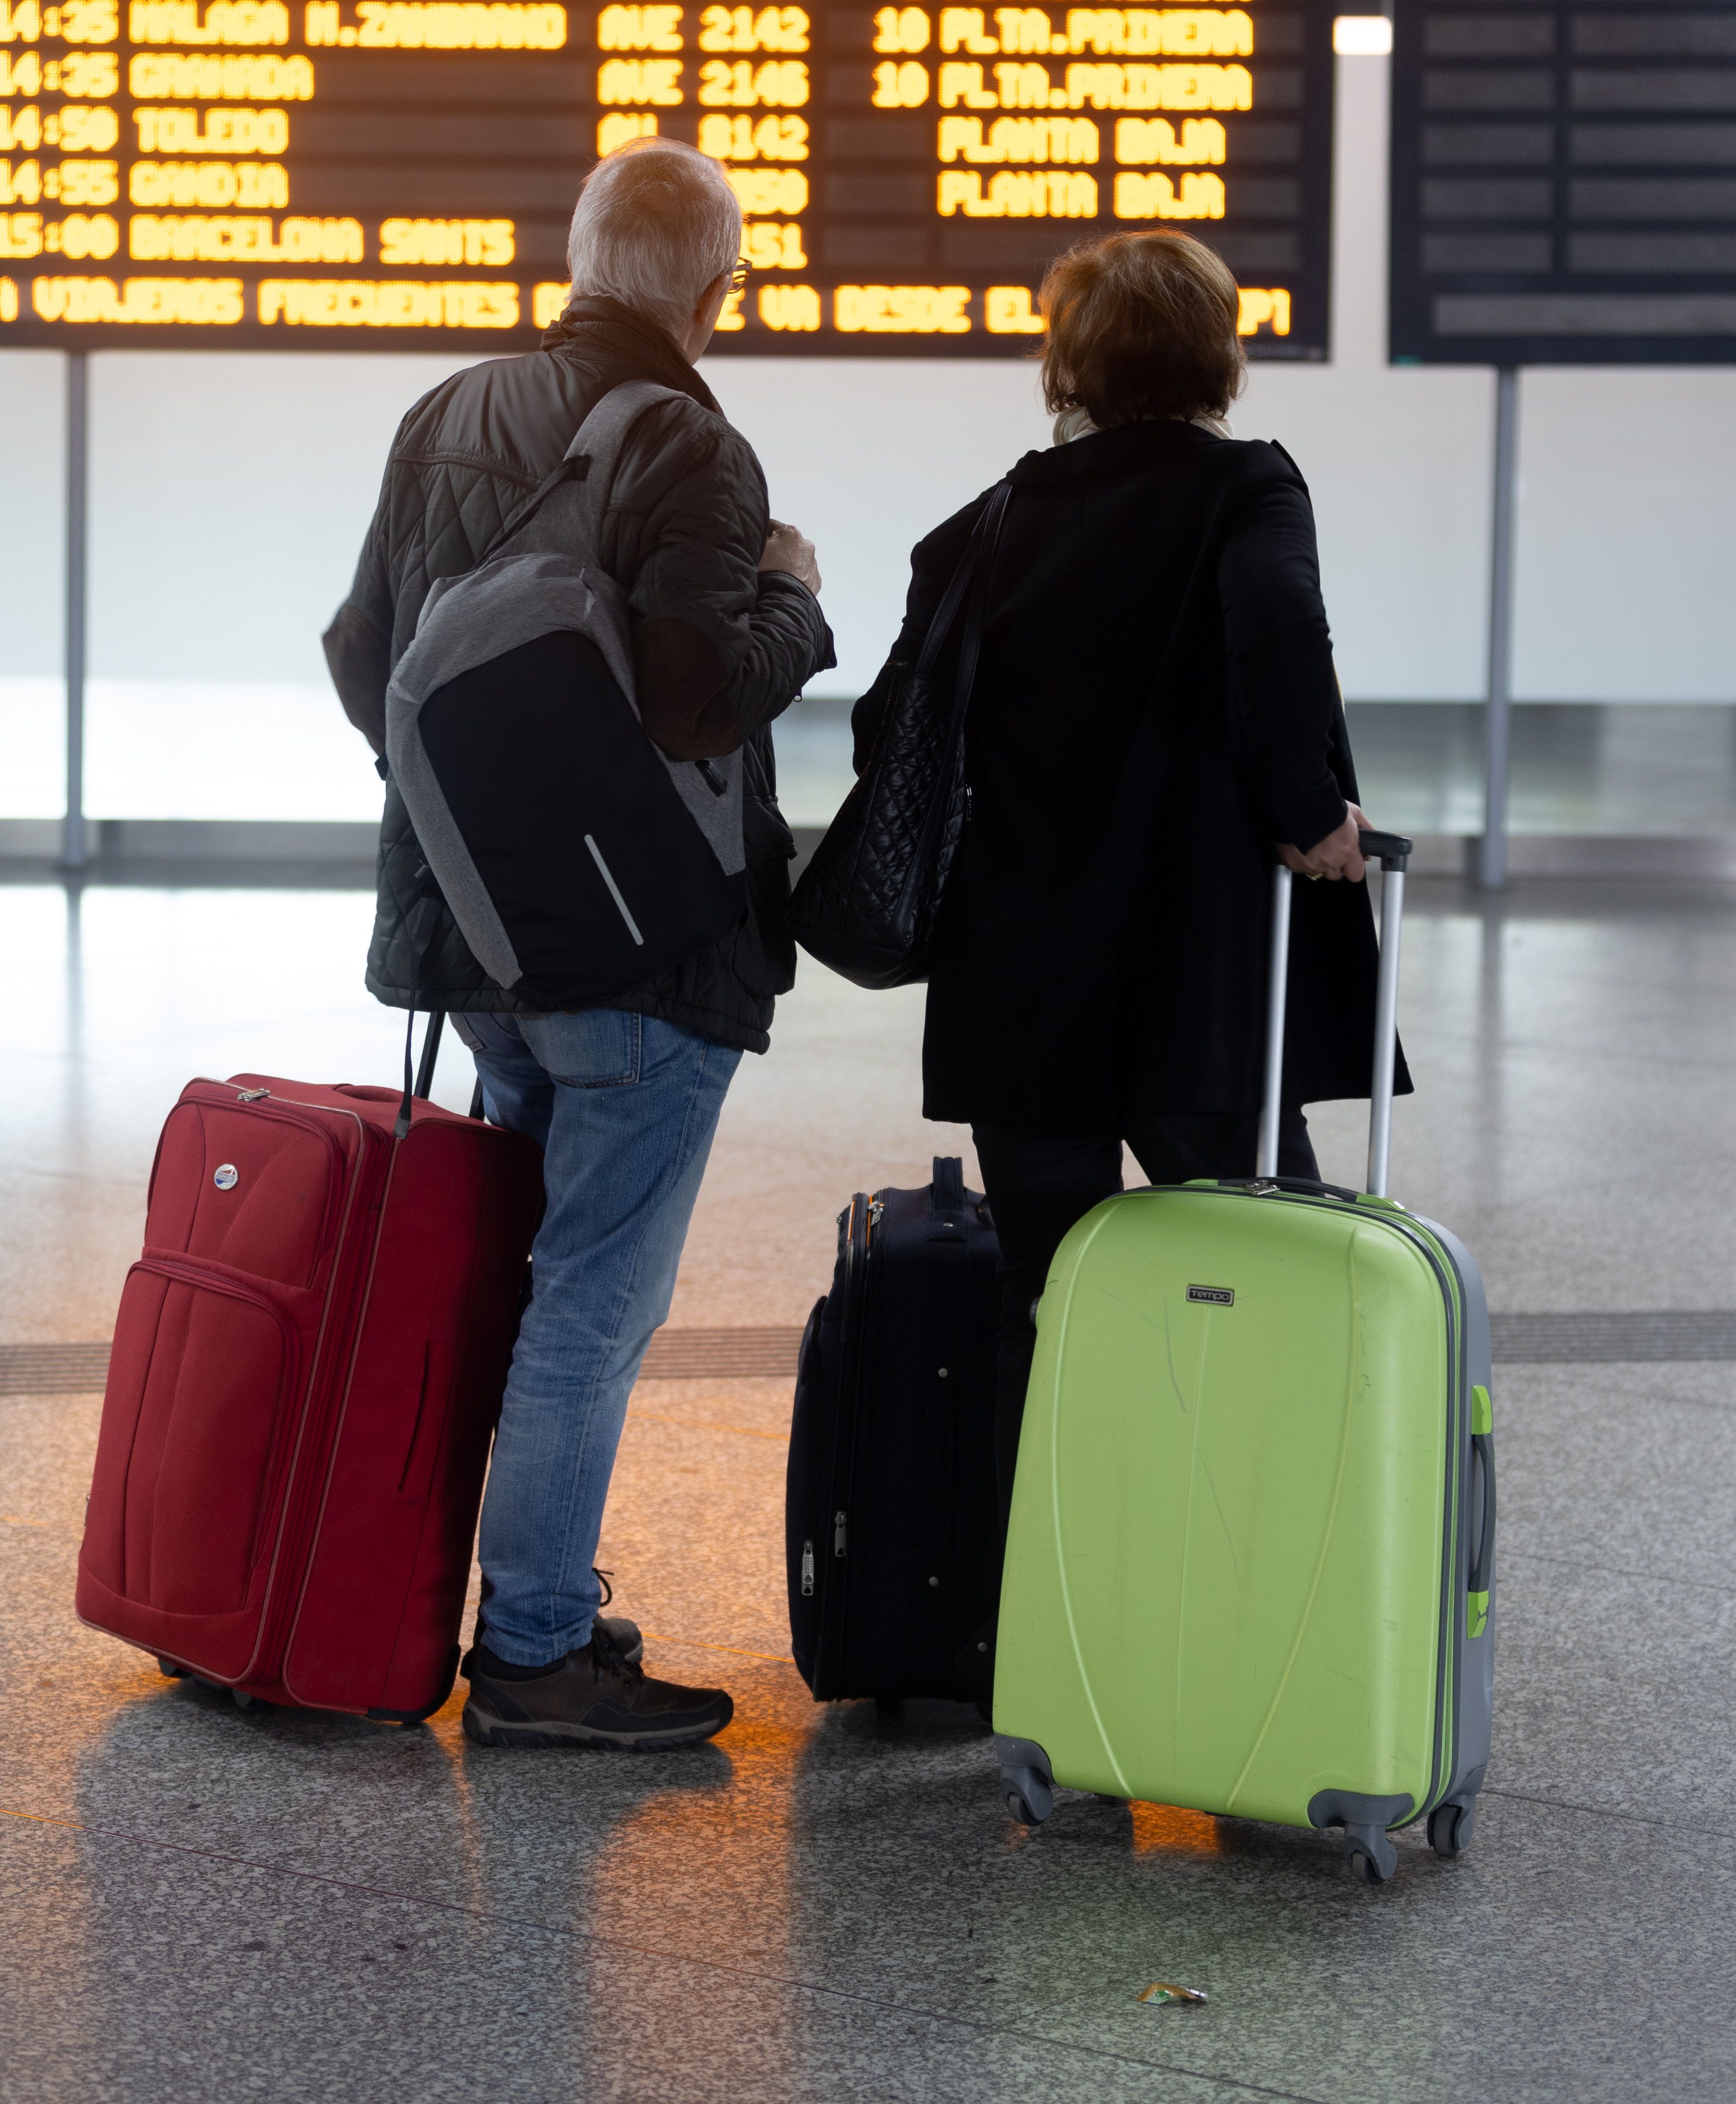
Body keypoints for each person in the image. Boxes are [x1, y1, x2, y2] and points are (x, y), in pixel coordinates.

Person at [323, 139, 831, 1751]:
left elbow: (363, 653)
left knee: (528, 1278)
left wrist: (489, 831)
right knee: (593, 1305)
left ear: (579, 259)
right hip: (637, 962)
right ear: (716, 291)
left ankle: (508, 1598)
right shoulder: (695, 446)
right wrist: (795, 603)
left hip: (480, 944)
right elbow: (694, 698)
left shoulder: (446, 414)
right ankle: (537, 1650)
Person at [852, 228, 1403, 1601]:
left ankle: (1039, 1617)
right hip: (1197, 985)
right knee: (1270, 1271)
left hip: (1020, 982)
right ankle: (1258, 1599)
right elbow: (1277, 629)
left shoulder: (988, 524)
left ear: (1070, 365)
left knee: (1045, 1297)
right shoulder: (1245, 489)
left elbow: (887, 725)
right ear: (1216, 359)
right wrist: (1307, 810)